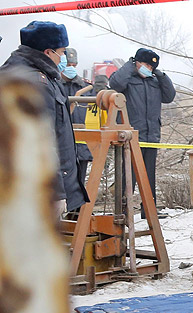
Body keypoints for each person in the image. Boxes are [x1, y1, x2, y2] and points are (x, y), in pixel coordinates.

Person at [0, 20, 88, 214]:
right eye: (62, 51)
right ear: (48, 52)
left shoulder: (28, 75)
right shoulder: (36, 83)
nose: (63, 57)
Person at [109, 47, 176, 212]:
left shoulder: (155, 81)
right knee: (127, 175)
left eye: (152, 67)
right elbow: (115, 84)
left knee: (148, 176)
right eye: (146, 64)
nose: (149, 68)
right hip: (130, 135)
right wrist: (130, 66)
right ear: (136, 62)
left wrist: (160, 75)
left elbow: (169, 96)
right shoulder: (127, 79)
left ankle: (149, 210)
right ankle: (123, 210)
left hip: (151, 135)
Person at [60, 47, 94, 186]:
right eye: (68, 65)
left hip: (82, 149)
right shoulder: (53, 86)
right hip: (61, 148)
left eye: (74, 65)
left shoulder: (86, 89)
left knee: (79, 188)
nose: (72, 68)